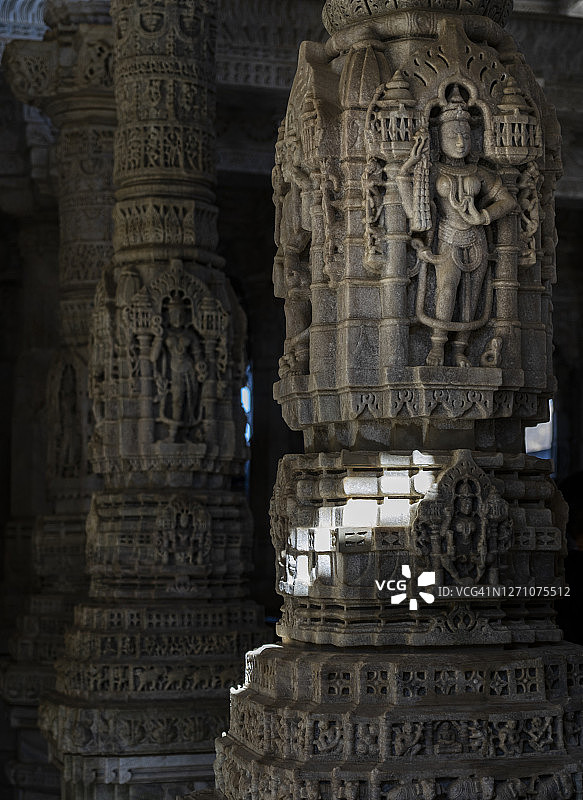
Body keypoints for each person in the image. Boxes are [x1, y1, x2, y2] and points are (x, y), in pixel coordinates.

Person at [396, 85, 515, 367]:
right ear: (440, 137)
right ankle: (437, 346)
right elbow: (414, 205)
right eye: (453, 135)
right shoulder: (434, 170)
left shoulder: (480, 173)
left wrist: (483, 217)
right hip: (449, 236)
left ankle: (461, 349)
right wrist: (408, 166)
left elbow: (508, 201)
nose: (460, 141)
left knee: (471, 295)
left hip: (476, 238)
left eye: (464, 135)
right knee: (447, 289)